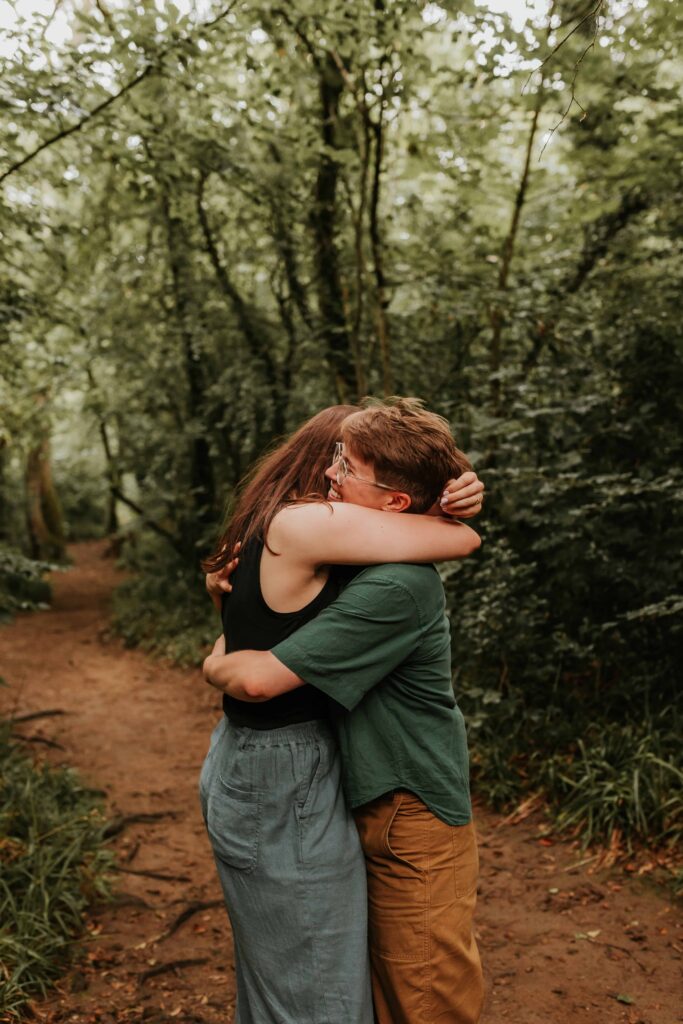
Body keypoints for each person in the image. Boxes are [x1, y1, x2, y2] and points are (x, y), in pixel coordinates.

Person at [199, 401, 483, 1024]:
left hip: (409, 808)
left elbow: (258, 678)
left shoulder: (395, 584)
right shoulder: (346, 557)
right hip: (355, 791)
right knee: (343, 989)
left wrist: (218, 659)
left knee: (421, 996)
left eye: (344, 465)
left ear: (395, 504)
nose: (328, 475)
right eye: (330, 458)